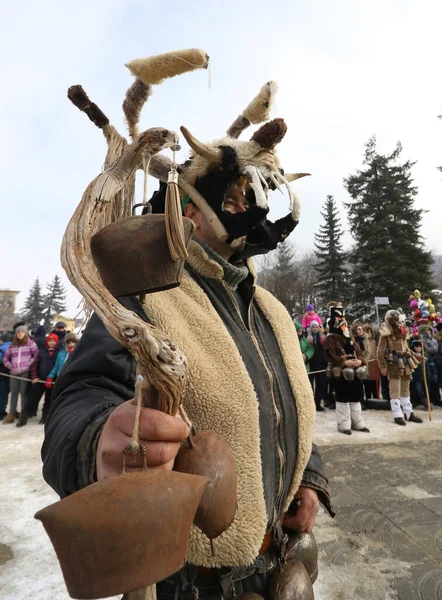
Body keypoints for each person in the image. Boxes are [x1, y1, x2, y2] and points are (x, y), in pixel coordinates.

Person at [42, 65, 333, 600]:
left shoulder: (271, 309)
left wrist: (310, 475)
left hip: (280, 566)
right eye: (236, 197)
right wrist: (98, 441)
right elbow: (76, 401)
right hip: (194, 585)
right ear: (190, 211)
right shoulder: (143, 295)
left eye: (257, 196)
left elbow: (285, 401)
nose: (251, 209)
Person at [324, 303, 369, 435]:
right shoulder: (330, 338)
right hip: (341, 372)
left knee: (356, 396)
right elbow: (330, 355)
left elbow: (359, 351)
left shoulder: (350, 337)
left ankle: (357, 422)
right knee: (343, 397)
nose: (342, 322)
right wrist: (344, 362)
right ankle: (343, 424)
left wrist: (360, 360)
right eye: (339, 319)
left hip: (355, 371)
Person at [377, 310, 423, 426]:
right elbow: (380, 351)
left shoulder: (403, 332)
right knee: (395, 389)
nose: (400, 322)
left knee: (405, 389)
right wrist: (382, 365)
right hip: (394, 362)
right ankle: (397, 414)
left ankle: (408, 412)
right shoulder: (386, 333)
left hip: (405, 361)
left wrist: (418, 357)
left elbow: (407, 348)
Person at [16, 333, 60, 427]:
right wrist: (34, 376)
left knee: (49, 399)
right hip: (40, 379)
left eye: (53, 341)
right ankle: (24, 416)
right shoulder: (41, 352)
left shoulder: (58, 353)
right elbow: (35, 366)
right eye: (50, 341)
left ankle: (45, 416)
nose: (52, 343)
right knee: (33, 398)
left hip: (52, 380)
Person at [2, 325, 38, 423]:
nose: (20, 334)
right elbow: (5, 358)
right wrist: (10, 365)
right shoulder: (12, 345)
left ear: (26, 333)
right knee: (13, 393)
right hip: (14, 372)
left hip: (25, 372)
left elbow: (36, 356)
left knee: (23, 393)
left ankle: (23, 413)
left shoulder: (31, 344)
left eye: (22, 332)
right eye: (18, 332)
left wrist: (28, 364)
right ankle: (11, 413)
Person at [307, 321, 328, 411]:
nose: (315, 329)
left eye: (316, 327)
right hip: (311, 364)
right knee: (310, 385)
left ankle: (318, 403)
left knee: (320, 385)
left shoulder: (322, 338)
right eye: (313, 327)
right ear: (311, 329)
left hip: (322, 364)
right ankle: (310, 404)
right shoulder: (308, 338)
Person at [363, 324, 378, 401]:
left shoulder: (374, 341)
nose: (369, 333)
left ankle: (376, 398)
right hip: (367, 364)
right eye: (367, 332)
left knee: (375, 384)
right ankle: (368, 399)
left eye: (370, 332)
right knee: (367, 384)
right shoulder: (363, 341)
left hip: (375, 365)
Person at [0, 333, 12, 419]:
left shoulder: (1, 349)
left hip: (2, 373)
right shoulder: (13, 347)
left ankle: (1, 411)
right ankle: (3, 409)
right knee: (5, 392)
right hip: (11, 373)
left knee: (1, 392)